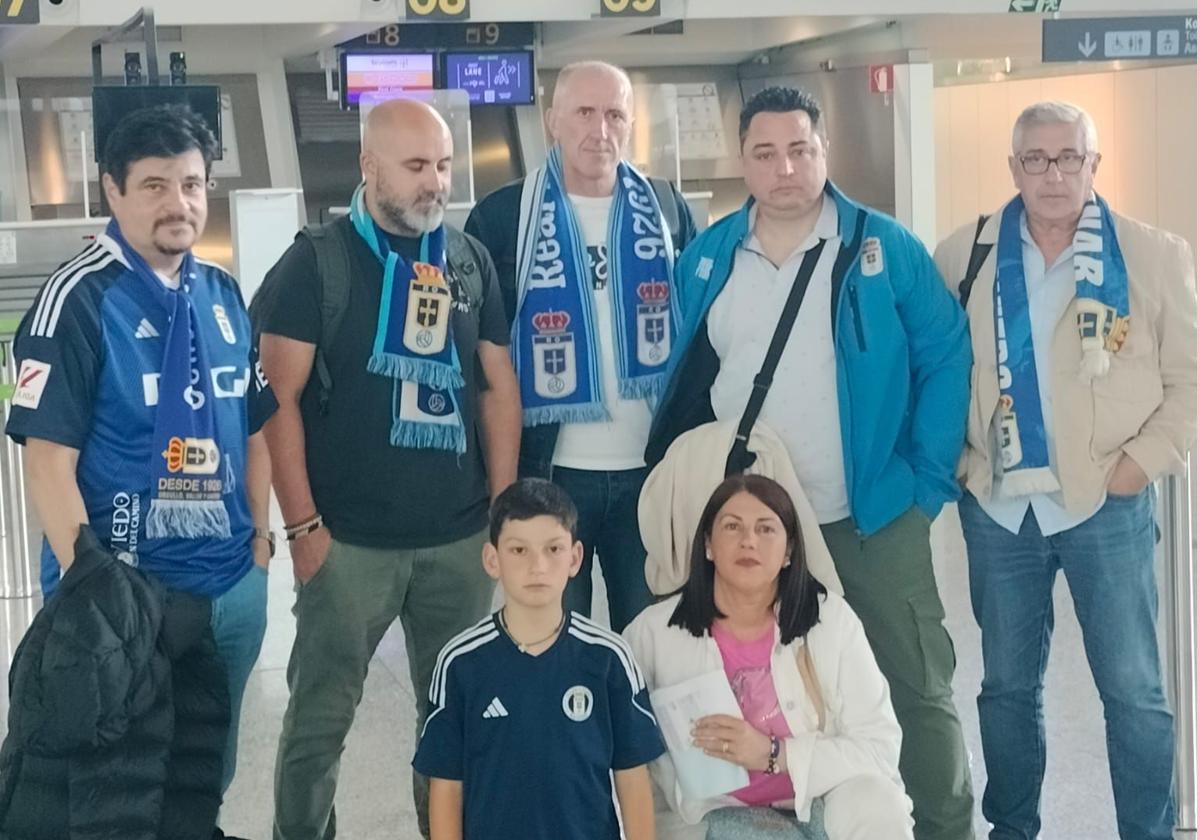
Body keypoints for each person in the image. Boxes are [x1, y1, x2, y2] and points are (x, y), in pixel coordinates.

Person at [646, 86, 975, 839]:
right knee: (746, 682)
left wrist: (922, 482)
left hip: (867, 515)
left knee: (916, 684)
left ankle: (947, 828)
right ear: (743, 160)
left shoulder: (881, 247)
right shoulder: (709, 257)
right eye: (764, 153)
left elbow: (944, 353)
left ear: (823, 151)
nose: (784, 167)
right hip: (753, 530)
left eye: (799, 149)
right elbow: (687, 380)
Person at [2, 103, 274, 840]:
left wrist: (259, 545)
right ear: (111, 192)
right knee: (113, 792)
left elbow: (253, 429)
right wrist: (93, 581)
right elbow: (47, 461)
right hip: (125, 597)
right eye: (154, 185)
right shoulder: (78, 299)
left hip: (227, 588)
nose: (177, 202)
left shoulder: (220, 295)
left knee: (201, 776)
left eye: (191, 184)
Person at [256, 98, 521, 840]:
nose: (434, 183)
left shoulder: (465, 261)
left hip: (459, 543)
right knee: (318, 724)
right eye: (414, 167)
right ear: (368, 167)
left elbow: (499, 387)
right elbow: (277, 401)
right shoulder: (318, 263)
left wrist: (501, 512)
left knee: (454, 724)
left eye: (442, 166)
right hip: (347, 546)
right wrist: (303, 527)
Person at [933, 100, 1197, 840]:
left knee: (1133, 692)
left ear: (1093, 164)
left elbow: (1188, 378)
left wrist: (1140, 465)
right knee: (1006, 690)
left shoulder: (1151, 255)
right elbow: (933, 371)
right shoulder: (964, 255)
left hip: (1104, 503)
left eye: (1069, 158)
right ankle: (1011, 830)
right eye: (1036, 160)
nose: (1053, 175)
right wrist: (957, 459)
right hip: (999, 508)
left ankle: (1144, 833)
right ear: (1012, 167)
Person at [466, 60, 697, 632]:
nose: (600, 129)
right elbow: (478, 355)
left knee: (650, 643)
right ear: (553, 122)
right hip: (549, 472)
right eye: (585, 113)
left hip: (650, 471)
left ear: (631, 123)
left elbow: (700, 337)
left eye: (615, 114)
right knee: (552, 640)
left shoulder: (666, 211)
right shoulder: (502, 218)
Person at [624, 474, 913, 840]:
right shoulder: (652, 636)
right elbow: (629, 760)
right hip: (718, 816)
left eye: (766, 529)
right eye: (732, 527)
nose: (749, 541)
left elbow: (879, 748)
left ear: (789, 551)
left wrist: (774, 754)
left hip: (822, 798)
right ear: (708, 545)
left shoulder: (831, 619)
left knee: (879, 804)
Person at [413, 478, 664, 839]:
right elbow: (447, 784)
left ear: (575, 558)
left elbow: (632, 776)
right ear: (491, 559)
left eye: (553, 549)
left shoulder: (609, 658)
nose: (538, 566)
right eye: (519, 550)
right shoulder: (460, 663)